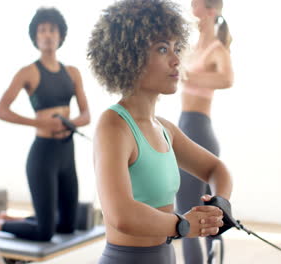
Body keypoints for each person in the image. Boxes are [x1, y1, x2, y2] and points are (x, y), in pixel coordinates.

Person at [87, 0, 233, 263]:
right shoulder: (113, 126)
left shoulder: (165, 129)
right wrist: (183, 224)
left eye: (177, 48)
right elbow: (121, 215)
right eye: (163, 49)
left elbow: (217, 170)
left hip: (165, 256)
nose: (177, 60)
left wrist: (219, 204)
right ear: (130, 56)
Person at [0, 7, 90, 241]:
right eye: (42, 31)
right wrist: (39, 122)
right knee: (45, 232)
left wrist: (69, 123)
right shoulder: (27, 72)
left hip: (67, 154)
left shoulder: (73, 72)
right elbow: (1, 110)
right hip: (43, 155)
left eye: (52, 30)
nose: (48, 35)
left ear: (60, 36)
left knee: (68, 226)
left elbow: (86, 115)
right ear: (36, 37)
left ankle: (12, 219)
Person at [177, 0, 234, 263]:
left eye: (196, 5)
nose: (191, 9)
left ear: (211, 11)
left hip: (199, 128)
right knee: (201, 210)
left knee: (192, 210)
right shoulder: (192, 48)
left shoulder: (216, 50)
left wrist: (190, 76)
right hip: (184, 124)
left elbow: (227, 79)